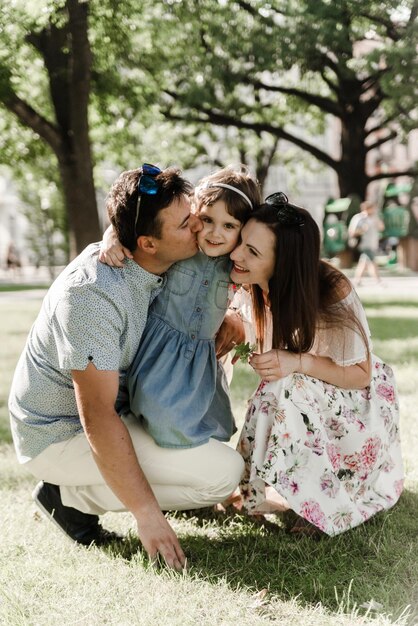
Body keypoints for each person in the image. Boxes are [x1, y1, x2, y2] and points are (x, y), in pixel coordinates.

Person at [9, 164, 245, 570]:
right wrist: (147, 515)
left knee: (210, 457)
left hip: (120, 411)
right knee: (221, 474)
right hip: (57, 434)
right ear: (148, 243)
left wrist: (231, 318)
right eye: (188, 223)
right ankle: (69, 498)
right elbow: (96, 417)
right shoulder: (91, 297)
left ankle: (94, 490)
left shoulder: (150, 259)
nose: (200, 228)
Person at [230, 192, 404, 536]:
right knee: (277, 387)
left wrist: (296, 362)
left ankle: (321, 506)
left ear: (285, 262)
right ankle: (252, 493)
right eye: (241, 243)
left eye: (252, 251)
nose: (236, 254)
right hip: (309, 390)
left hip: (359, 400)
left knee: (282, 385)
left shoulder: (331, 289)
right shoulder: (249, 283)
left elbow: (361, 375)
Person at [99, 166, 261, 448]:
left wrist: (238, 320)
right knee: (159, 420)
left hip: (201, 360)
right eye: (207, 220)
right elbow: (137, 223)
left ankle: (200, 478)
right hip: (160, 351)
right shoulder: (182, 249)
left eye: (229, 226)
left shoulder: (236, 265)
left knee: (211, 429)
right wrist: (111, 236)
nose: (214, 233)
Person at [348, 200, 384, 286]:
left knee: (363, 263)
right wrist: (362, 230)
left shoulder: (374, 217)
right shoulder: (359, 218)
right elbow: (352, 232)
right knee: (372, 261)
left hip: (372, 244)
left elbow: (382, 228)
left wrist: (377, 221)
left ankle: (357, 280)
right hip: (364, 244)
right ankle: (378, 280)